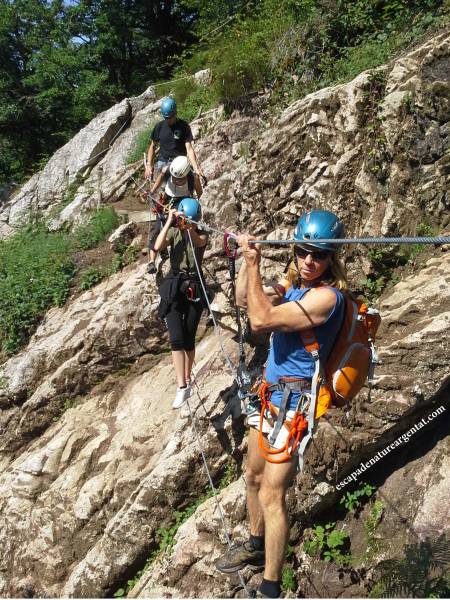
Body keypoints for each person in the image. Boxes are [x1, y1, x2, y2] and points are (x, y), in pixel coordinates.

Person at [215, 210, 348, 598]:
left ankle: (271, 587)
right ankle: (256, 549)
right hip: (269, 395)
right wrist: (247, 260)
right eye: (303, 251)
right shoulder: (292, 285)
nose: (309, 260)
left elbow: (260, 321)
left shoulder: (326, 298)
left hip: (293, 405)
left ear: (332, 258)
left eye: (319, 255)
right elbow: (244, 299)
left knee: (273, 492)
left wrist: (255, 263)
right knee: (251, 474)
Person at [153, 197, 208, 409]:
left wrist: (190, 227)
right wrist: (169, 221)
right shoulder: (174, 231)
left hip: (193, 284)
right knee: (176, 339)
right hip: (175, 284)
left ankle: (187, 377)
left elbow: (199, 242)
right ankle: (182, 386)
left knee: (188, 339)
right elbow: (157, 246)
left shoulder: (201, 232)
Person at [146, 155, 203, 274]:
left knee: (183, 227)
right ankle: (151, 261)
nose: (176, 181)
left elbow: (199, 192)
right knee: (158, 227)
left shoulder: (193, 177)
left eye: (180, 179)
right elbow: (161, 178)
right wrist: (152, 191)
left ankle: (186, 254)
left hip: (184, 201)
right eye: (174, 178)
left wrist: (193, 204)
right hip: (167, 199)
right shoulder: (166, 170)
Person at [144, 97, 205, 184]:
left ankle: (199, 197)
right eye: (166, 118)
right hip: (163, 161)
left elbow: (189, 149)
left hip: (180, 162)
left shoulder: (184, 126)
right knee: (163, 189)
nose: (168, 120)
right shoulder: (159, 127)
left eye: (170, 117)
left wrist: (196, 168)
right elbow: (152, 146)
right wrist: (149, 165)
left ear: (175, 113)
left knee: (195, 181)